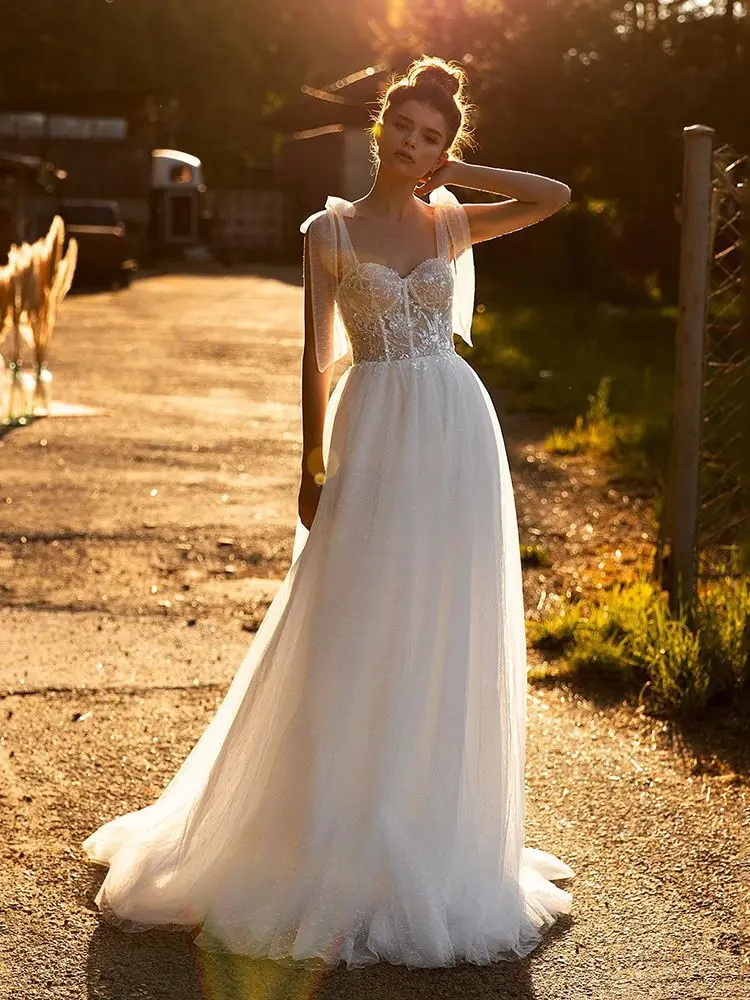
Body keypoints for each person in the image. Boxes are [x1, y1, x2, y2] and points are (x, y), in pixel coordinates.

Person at [82, 54, 575, 970]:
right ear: (378, 128)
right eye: (403, 129)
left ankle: (427, 821)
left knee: (437, 622)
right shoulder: (329, 230)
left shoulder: (451, 221)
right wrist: (311, 465)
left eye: (431, 136)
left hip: (458, 437)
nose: (412, 145)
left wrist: (459, 173)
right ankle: (323, 827)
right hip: (374, 427)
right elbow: (314, 360)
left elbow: (554, 194)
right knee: (350, 617)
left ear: (442, 145)